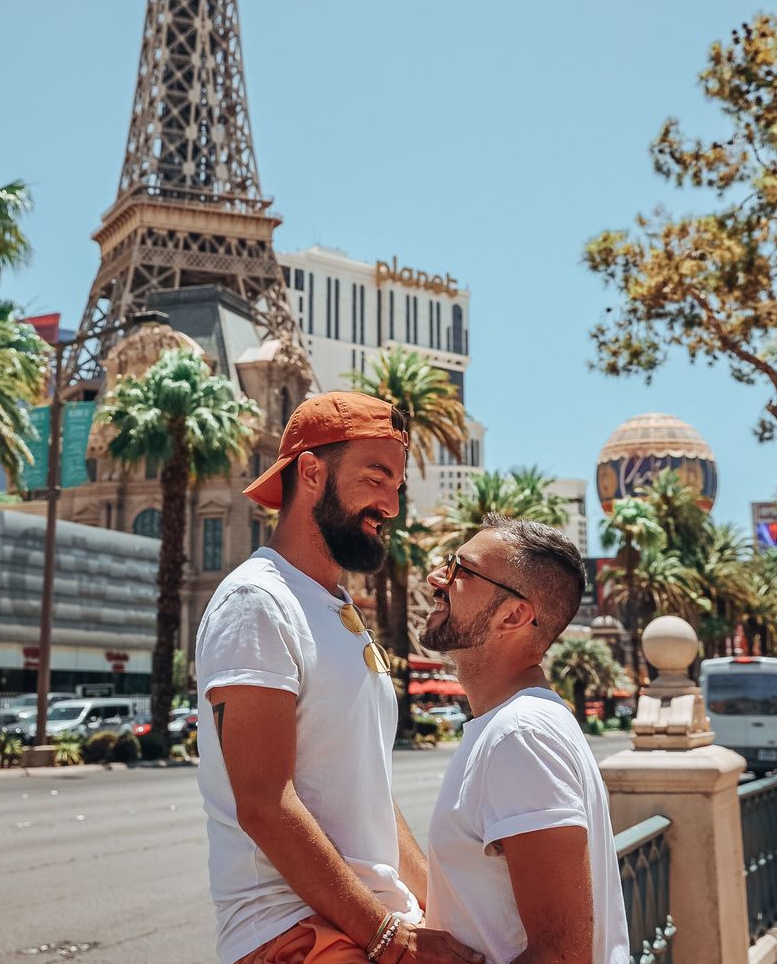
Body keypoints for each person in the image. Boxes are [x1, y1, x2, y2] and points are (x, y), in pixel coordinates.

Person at [195, 390, 484, 964]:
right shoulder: (258, 602)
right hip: (293, 933)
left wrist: (447, 914)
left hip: (362, 923)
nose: (392, 506)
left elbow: (368, 794)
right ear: (310, 471)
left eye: (397, 487)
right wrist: (389, 939)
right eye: (376, 479)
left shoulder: (333, 607)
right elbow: (264, 804)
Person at [422, 515, 629, 964]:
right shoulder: (512, 726)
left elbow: (562, 957)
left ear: (514, 615)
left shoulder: (520, 735)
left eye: (461, 570)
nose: (436, 579)